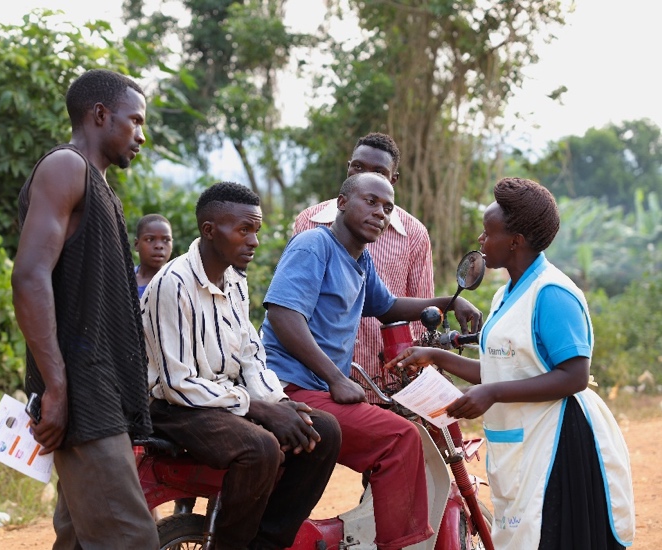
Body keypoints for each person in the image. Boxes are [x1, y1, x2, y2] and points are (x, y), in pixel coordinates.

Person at [391, 177, 635, 549]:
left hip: (558, 443)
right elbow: (501, 368)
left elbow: (575, 376)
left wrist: (491, 393)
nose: (480, 242)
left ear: (516, 241)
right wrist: (435, 356)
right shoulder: (505, 294)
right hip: (521, 441)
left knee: (549, 536)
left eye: (488, 233)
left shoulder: (552, 293)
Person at [260, 171, 483, 550]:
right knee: (399, 438)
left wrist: (450, 301)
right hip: (291, 388)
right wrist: (335, 378)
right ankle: (397, 545)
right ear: (342, 203)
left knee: (396, 430)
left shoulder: (359, 260)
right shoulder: (315, 245)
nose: (380, 212)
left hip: (315, 387)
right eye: (371, 201)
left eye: (388, 207)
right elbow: (283, 315)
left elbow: (387, 306)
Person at [142, 182, 341, 550]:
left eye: (256, 231)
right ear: (209, 231)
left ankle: (267, 542)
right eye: (243, 230)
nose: (254, 241)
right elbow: (177, 383)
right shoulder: (172, 284)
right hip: (175, 407)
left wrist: (278, 404)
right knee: (260, 448)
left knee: (323, 430)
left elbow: (250, 354)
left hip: (223, 400)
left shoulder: (235, 281)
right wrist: (258, 409)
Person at [11, 69, 157, 549]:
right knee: (129, 539)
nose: (141, 135)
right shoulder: (65, 168)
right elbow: (29, 276)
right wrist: (55, 386)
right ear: (100, 114)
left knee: (77, 537)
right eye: (134, 121)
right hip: (81, 389)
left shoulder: (100, 187)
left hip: (99, 386)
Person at [293, 132, 434, 401]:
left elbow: (413, 312)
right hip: (315, 374)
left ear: (394, 179)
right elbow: (293, 305)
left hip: (384, 376)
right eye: (357, 167)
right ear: (348, 168)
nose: (364, 175)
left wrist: (415, 377)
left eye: (379, 172)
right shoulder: (309, 223)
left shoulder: (414, 234)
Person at [134, 213, 173, 298]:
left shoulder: (175, 283)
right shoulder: (123, 279)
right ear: (137, 244)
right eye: (149, 239)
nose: (159, 246)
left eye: (166, 240)